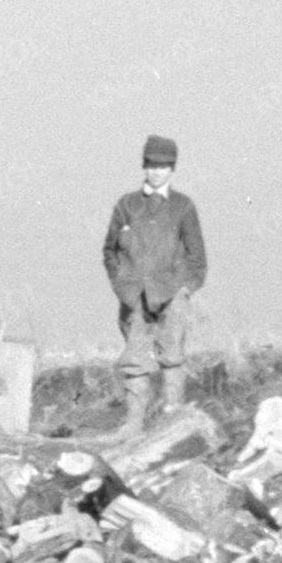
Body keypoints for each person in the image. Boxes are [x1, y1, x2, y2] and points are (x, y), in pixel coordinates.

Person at [103, 134, 209, 427]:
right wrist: (122, 285)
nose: (156, 171)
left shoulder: (183, 207)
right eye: (151, 165)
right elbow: (109, 251)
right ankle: (133, 424)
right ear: (144, 166)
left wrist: (185, 290)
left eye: (163, 166)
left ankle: (172, 421)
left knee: (172, 355)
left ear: (172, 169)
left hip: (171, 292)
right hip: (135, 295)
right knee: (135, 358)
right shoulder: (127, 205)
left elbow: (197, 257)